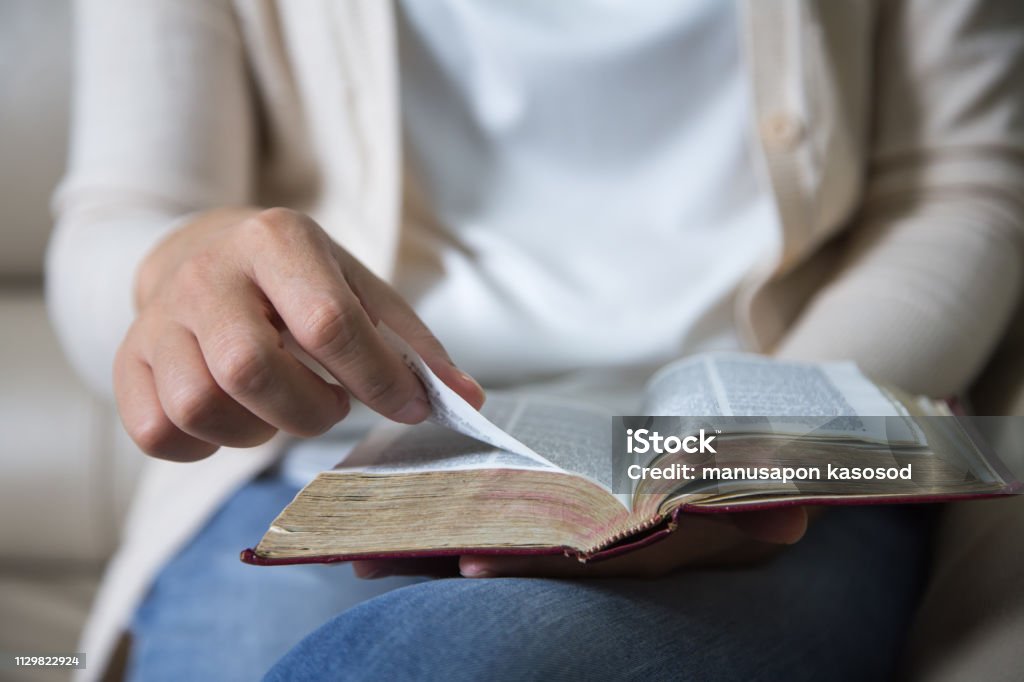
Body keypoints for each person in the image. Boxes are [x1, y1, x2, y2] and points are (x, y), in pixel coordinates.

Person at [46, 0, 1024, 680]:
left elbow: (959, 190)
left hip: (775, 474)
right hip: (328, 473)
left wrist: (747, 453)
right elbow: (125, 216)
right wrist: (179, 271)